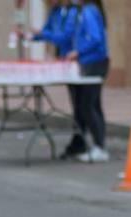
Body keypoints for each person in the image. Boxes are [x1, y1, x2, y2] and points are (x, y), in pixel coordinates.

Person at [30, 0, 86, 159]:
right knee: (76, 103)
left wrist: (42, 34)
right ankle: (78, 140)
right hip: (65, 62)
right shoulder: (54, 12)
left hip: (77, 62)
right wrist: (31, 35)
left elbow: (64, 37)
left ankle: (85, 141)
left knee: (84, 104)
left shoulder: (72, 12)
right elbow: (46, 31)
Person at [65, 0, 109, 163]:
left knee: (87, 106)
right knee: (94, 105)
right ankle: (100, 144)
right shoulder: (87, 10)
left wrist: (78, 52)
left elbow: (95, 38)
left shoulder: (88, 12)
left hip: (94, 63)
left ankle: (100, 146)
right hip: (94, 62)